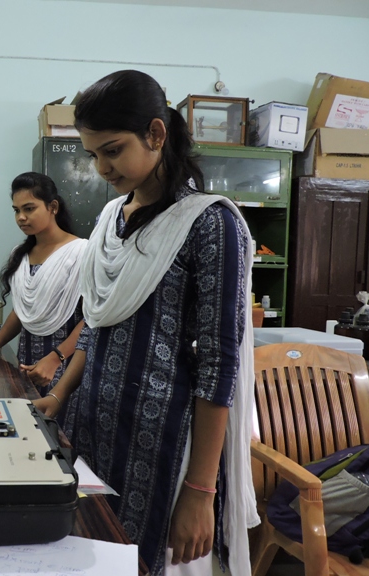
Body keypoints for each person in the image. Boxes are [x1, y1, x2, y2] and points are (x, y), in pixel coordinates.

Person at [33, 70, 258, 576]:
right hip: (94, 426)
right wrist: (62, 394)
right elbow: (98, 321)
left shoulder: (209, 224)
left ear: (156, 135)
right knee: (95, 554)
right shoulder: (112, 216)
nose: (101, 167)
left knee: (153, 562)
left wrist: (201, 491)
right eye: (93, 154)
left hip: (165, 445)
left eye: (112, 150)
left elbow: (218, 365)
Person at [0, 172, 87, 400]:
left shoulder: (81, 253)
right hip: (27, 363)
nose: (21, 217)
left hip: (65, 365)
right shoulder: (21, 255)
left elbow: (92, 319)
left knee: (58, 430)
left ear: (52, 207)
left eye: (29, 208)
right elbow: (24, 310)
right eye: (16, 210)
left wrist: (55, 358)